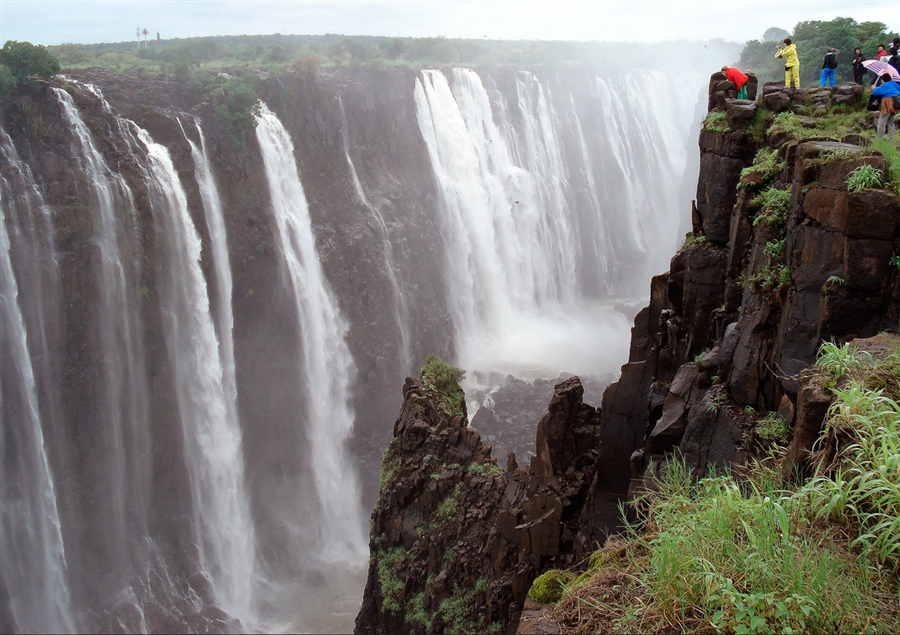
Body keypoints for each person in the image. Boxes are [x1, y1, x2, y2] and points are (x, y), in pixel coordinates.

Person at [871, 73, 899, 140]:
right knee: (891, 121)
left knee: (881, 122)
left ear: (883, 80)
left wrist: (873, 88)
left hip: (888, 104)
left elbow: (876, 92)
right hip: (896, 104)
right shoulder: (894, 84)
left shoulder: (886, 85)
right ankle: (891, 138)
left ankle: (880, 138)